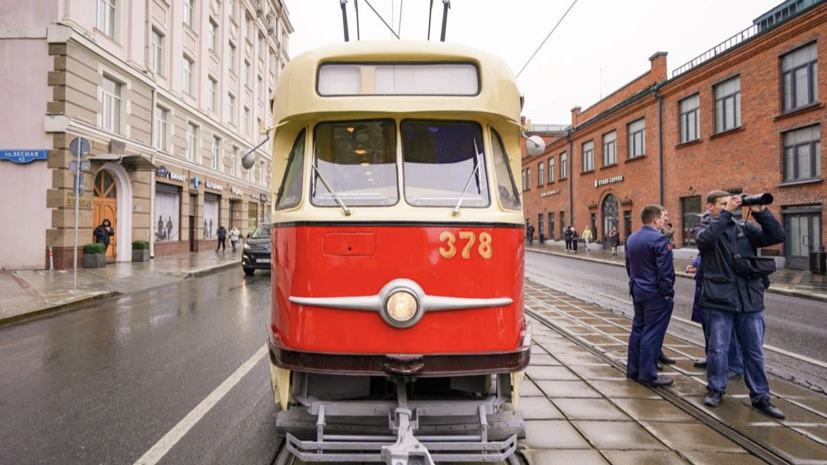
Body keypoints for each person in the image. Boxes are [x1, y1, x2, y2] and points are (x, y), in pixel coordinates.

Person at [693, 190, 785, 418]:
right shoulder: (703, 227)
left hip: (750, 299)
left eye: (730, 203)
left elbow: (777, 235)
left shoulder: (744, 227)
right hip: (720, 299)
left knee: (754, 352)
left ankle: (761, 397)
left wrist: (761, 213)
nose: (729, 206)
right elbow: (706, 240)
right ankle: (715, 389)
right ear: (710, 207)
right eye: (723, 204)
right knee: (718, 349)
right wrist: (726, 214)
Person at [625, 205, 675, 387]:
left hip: (637, 290)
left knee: (638, 329)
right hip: (655, 294)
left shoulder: (632, 238)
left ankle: (633, 369)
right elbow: (665, 272)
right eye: (663, 217)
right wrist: (667, 293)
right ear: (655, 220)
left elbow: (629, 266)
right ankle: (648, 374)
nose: (665, 220)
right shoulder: (660, 240)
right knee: (652, 333)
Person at [687, 252, 744, 377]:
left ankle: (735, 367)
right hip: (706, 292)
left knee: (729, 332)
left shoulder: (730, 239)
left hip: (723, 293)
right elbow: (702, 255)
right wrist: (695, 264)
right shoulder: (709, 238)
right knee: (709, 329)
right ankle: (712, 361)